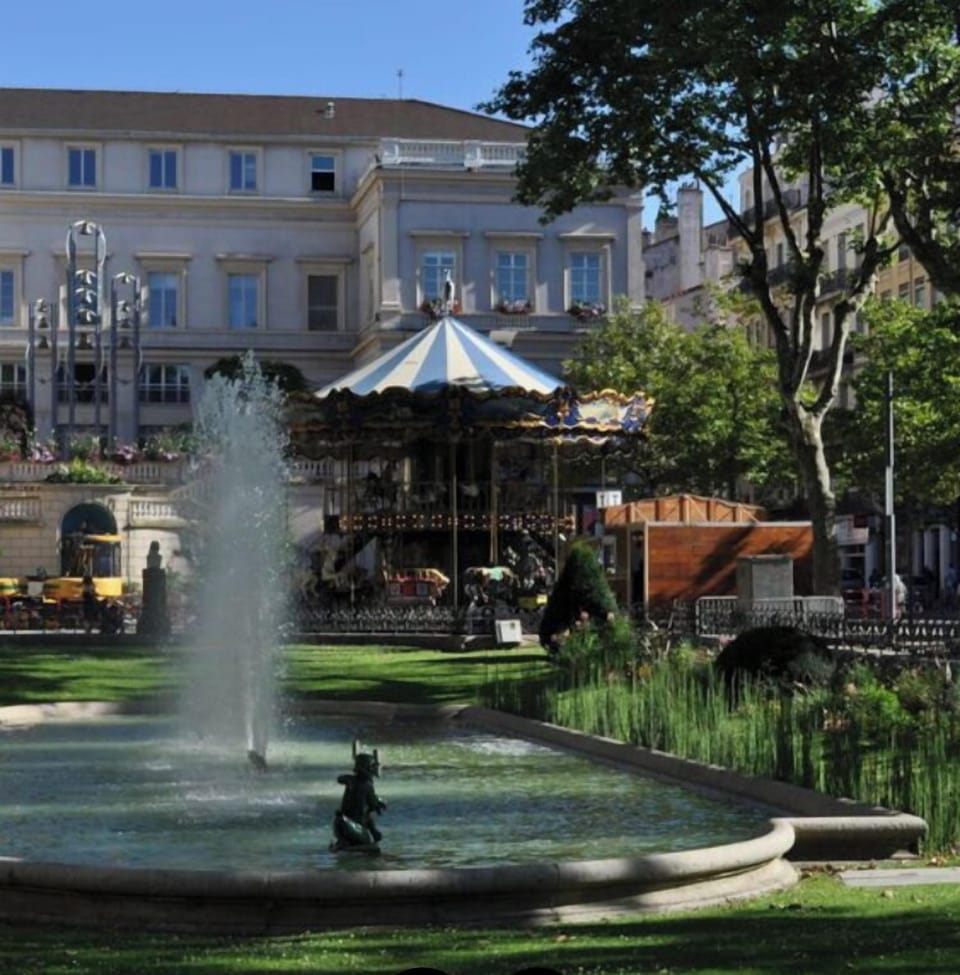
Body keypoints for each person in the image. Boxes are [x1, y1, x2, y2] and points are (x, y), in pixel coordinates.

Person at [330, 751, 387, 851]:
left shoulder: (351, 780)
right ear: (368, 768)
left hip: (339, 823)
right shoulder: (367, 785)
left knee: (365, 816)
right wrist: (380, 803)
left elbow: (340, 778)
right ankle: (366, 838)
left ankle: (342, 842)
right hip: (354, 828)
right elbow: (373, 804)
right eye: (373, 766)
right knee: (368, 833)